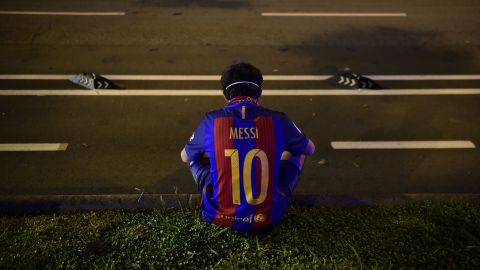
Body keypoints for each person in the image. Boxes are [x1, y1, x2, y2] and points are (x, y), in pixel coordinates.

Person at [180, 63, 315, 231]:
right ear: (260, 92)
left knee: (194, 157)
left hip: (218, 216)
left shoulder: (211, 120)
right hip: (268, 217)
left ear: (225, 94)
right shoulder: (278, 120)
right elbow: (310, 149)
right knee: (298, 152)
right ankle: (272, 194)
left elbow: (184, 156)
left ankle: (219, 196)